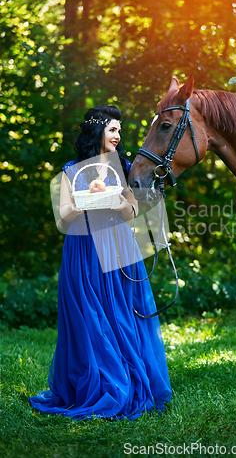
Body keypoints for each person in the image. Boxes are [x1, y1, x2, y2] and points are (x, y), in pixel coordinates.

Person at [28, 105, 172, 420]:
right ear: (97, 132)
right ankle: (96, 385)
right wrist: (93, 197)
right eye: (112, 130)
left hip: (119, 249)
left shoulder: (127, 167)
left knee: (121, 317)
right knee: (89, 319)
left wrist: (120, 202)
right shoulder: (71, 170)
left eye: (119, 130)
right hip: (83, 251)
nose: (118, 136)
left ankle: (127, 381)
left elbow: (135, 211)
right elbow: (63, 216)